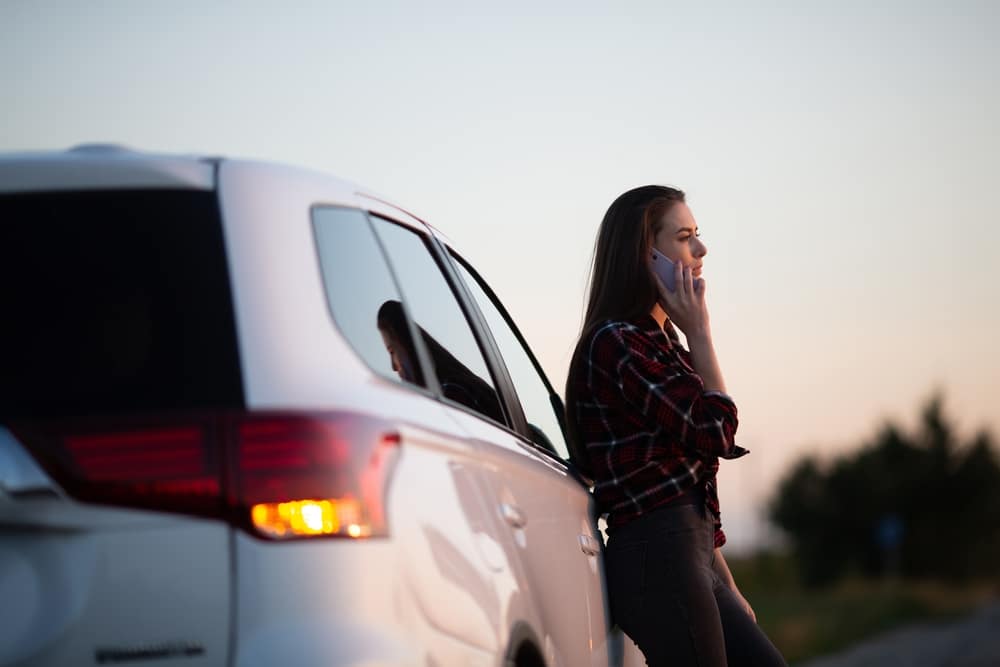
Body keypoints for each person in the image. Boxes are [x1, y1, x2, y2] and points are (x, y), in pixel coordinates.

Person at [564, 186, 786, 667]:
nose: (701, 251)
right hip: (657, 554)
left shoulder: (659, 343)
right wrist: (701, 332)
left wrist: (725, 581)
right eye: (685, 237)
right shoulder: (618, 343)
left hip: (689, 551)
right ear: (645, 255)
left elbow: (687, 482)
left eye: (697, 236)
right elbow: (715, 433)